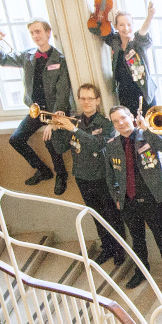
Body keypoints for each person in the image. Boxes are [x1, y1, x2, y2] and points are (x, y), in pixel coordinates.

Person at [90, 0, 162, 177]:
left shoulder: (137, 43)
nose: (126, 28)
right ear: (116, 26)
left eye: (129, 24)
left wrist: (150, 16)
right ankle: (144, 165)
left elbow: (143, 32)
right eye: (121, 25)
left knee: (154, 129)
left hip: (144, 93)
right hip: (125, 94)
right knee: (135, 131)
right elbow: (96, 27)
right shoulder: (113, 41)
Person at [0, 18, 75, 195]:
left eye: (38, 31)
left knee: (51, 141)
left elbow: (63, 90)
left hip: (53, 110)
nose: (35, 36)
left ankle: (61, 174)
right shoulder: (28, 56)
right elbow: (3, 60)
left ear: (48, 33)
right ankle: (42, 170)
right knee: (16, 139)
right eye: (32, 33)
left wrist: (55, 119)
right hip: (35, 110)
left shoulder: (59, 59)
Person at [104, 106, 162, 289]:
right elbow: (111, 177)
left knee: (161, 237)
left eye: (123, 118)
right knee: (137, 240)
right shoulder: (112, 145)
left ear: (131, 116)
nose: (120, 123)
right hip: (128, 201)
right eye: (115, 121)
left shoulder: (147, 135)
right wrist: (117, 197)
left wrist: (147, 128)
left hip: (152, 198)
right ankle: (140, 272)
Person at [48, 83, 126, 266]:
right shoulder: (73, 121)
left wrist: (73, 129)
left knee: (112, 217)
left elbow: (97, 144)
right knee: (96, 216)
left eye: (90, 98)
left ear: (98, 100)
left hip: (102, 177)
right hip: (83, 177)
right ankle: (107, 249)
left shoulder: (107, 124)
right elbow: (60, 148)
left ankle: (119, 251)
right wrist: (57, 128)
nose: (86, 102)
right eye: (82, 98)